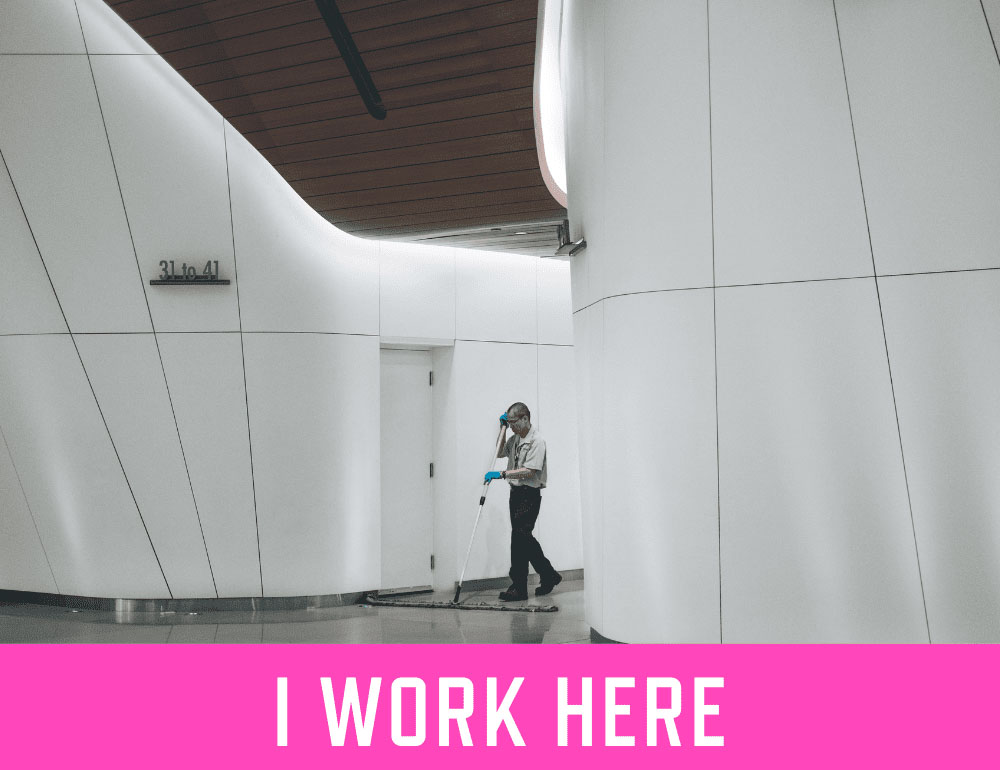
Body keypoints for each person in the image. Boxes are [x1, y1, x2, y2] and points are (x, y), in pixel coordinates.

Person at [484, 402, 562, 601]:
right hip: (516, 493)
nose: (512, 427)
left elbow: (530, 471)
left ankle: (519, 587)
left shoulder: (537, 441)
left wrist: (502, 474)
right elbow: (500, 452)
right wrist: (501, 429)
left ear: (525, 418)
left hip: (529, 494)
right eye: (509, 423)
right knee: (523, 538)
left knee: (519, 539)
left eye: (513, 423)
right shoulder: (514, 438)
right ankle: (548, 575)